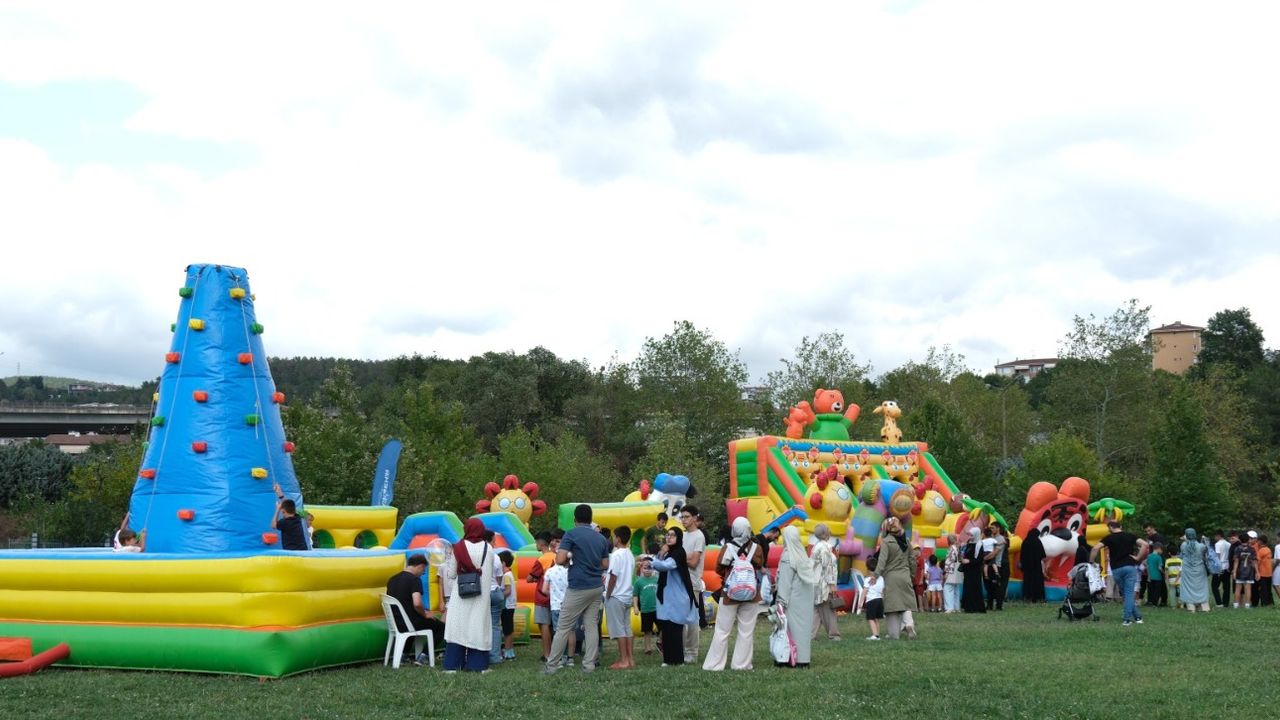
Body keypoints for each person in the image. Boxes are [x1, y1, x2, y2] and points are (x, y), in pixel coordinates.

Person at [543, 504, 611, 675]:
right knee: (591, 626)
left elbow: (559, 559)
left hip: (578, 587)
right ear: (590, 518)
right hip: (596, 587)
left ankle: (551, 666)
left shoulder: (571, 534)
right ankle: (589, 665)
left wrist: (569, 560)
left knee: (563, 627)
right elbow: (605, 564)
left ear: (575, 519)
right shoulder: (601, 538)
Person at [703, 517, 766, 670]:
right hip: (751, 594)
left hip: (730, 593)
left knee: (722, 630)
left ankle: (714, 664)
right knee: (746, 630)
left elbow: (719, 568)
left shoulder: (727, 548)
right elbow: (760, 565)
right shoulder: (756, 548)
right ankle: (741, 664)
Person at [443, 518, 496, 672]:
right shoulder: (489, 548)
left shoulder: (458, 547)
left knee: (457, 628)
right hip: (481, 596)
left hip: (461, 595)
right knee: (478, 627)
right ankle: (477, 665)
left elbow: (452, 574)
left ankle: (453, 665)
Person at [385, 554, 445, 665]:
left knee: (413, 621)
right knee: (441, 627)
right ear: (420, 566)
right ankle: (424, 656)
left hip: (397, 622)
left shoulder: (392, 579)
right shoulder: (414, 580)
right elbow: (417, 603)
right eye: (424, 570)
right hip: (410, 623)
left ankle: (403, 655)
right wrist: (425, 614)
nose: (423, 573)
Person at [651, 526, 697, 666]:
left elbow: (667, 566)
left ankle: (678, 660)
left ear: (678, 538)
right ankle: (668, 659)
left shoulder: (679, 552)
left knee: (675, 628)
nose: (668, 537)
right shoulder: (669, 552)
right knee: (666, 627)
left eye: (672, 535)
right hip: (668, 595)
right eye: (667, 535)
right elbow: (663, 563)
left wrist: (651, 562)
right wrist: (659, 555)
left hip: (677, 596)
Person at [1091, 520, 1148, 626]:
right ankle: (1137, 617)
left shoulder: (1109, 538)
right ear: (1120, 526)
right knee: (1128, 594)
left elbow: (1095, 548)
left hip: (1116, 569)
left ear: (1110, 528)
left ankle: (1128, 619)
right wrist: (1138, 557)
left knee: (1127, 594)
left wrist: (1092, 561)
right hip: (1130, 567)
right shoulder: (1130, 536)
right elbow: (1145, 544)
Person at [776, 525, 818, 666]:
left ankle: (789, 657)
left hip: (792, 600)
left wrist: (781, 602)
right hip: (805, 600)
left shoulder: (788, 556)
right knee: (803, 630)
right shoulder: (802, 554)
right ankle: (803, 658)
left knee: (790, 629)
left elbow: (785, 582)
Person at [877, 517, 918, 638]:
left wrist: (875, 575)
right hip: (905, 575)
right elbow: (912, 560)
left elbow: (882, 561)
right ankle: (909, 624)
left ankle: (894, 634)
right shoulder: (906, 541)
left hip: (891, 577)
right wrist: (912, 574)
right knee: (906, 603)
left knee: (892, 607)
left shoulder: (886, 542)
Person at [604, 526, 636, 670]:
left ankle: (623, 660)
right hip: (627, 595)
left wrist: (608, 593)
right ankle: (630, 659)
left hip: (616, 595)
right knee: (626, 628)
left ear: (618, 538)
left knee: (619, 630)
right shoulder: (630, 553)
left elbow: (614, 576)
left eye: (614, 536)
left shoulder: (617, 555)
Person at [678, 505, 706, 664]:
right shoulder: (682, 535)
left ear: (695, 518)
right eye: (682, 517)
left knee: (691, 620)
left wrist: (681, 557)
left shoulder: (699, 536)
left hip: (692, 583)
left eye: (687, 517)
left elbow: (694, 562)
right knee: (680, 619)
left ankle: (692, 652)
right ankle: (681, 650)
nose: (684, 520)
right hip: (680, 582)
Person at [526, 531, 556, 662]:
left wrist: (533, 579)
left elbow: (529, 578)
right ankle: (556, 653)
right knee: (553, 626)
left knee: (544, 625)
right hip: (555, 596)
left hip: (542, 596)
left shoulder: (541, 559)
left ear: (540, 543)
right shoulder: (556, 556)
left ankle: (547, 654)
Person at [542, 547, 574, 665]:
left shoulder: (550, 571)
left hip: (556, 605)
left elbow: (544, 590)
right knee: (570, 631)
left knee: (558, 632)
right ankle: (570, 658)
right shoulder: (570, 571)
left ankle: (559, 658)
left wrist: (554, 593)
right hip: (569, 604)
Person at [810, 524, 841, 641]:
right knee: (829, 609)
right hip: (823, 584)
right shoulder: (825, 548)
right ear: (826, 534)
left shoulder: (816, 547)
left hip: (815, 582)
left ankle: (810, 635)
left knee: (817, 611)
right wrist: (832, 584)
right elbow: (827, 567)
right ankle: (833, 634)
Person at [1177, 530, 1211, 612]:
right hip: (1200, 569)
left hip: (1187, 569)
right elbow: (1206, 555)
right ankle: (1205, 607)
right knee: (1201, 587)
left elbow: (1182, 554)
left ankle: (1191, 607)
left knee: (1188, 587)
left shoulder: (1183, 545)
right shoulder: (1201, 546)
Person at [633, 555, 659, 655]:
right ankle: (647, 648)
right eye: (645, 567)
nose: (647, 570)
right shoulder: (639, 582)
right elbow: (635, 595)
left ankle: (660, 643)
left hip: (657, 609)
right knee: (647, 630)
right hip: (645, 610)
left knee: (662, 628)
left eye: (650, 567)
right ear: (641, 568)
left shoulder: (657, 579)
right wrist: (635, 607)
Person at [271, 483, 308, 551]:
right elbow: (287, 505)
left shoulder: (284, 522)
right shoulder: (297, 517)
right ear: (294, 509)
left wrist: (277, 509)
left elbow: (273, 525)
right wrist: (280, 494)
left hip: (292, 553)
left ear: (283, 511)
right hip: (303, 551)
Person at [960, 527, 986, 614]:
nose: (970, 536)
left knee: (974, 588)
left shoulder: (979, 545)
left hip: (974, 571)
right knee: (968, 588)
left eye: (971, 535)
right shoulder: (969, 544)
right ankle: (968, 606)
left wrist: (969, 561)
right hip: (968, 570)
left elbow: (979, 559)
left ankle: (976, 607)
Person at [1019, 529, 1047, 603]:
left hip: (1026, 566)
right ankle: (1038, 597)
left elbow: (1022, 554)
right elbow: (1043, 555)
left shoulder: (1025, 542)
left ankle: (1027, 596)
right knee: (1037, 581)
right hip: (1036, 566)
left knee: (1028, 581)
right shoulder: (1037, 542)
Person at [1233, 532, 1258, 608]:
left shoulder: (1237, 548)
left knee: (1238, 588)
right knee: (1248, 588)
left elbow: (1236, 561)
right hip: (1249, 571)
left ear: (1240, 540)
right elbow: (1254, 562)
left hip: (1240, 571)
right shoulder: (1252, 549)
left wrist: (1234, 571)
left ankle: (1236, 605)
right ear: (1248, 540)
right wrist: (1257, 572)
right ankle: (1247, 605)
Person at [499, 550, 517, 660]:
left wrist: (498, 595)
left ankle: (508, 651)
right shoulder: (510, 574)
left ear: (503, 563)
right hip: (510, 606)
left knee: (507, 630)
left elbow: (508, 591)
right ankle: (509, 650)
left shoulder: (506, 575)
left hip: (506, 606)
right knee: (508, 628)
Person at [942, 534, 963, 613]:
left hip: (951, 571)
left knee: (947, 589)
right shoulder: (957, 549)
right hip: (957, 571)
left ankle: (949, 607)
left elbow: (949, 561)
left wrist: (947, 572)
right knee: (956, 589)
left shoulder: (951, 549)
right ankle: (956, 607)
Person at [1212, 530, 1231, 607]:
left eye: (1215, 536)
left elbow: (1217, 557)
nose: (1215, 538)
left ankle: (1219, 602)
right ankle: (1226, 602)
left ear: (1218, 536)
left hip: (1220, 567)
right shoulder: (1228, 544)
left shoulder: (1218, 544)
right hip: (1227, 566)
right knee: (1226, 586)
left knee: (1214, 585)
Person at [1253, 534, 1273, 607]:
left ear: (1260, 541)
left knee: (1263, 590)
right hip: (1269, 573)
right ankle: (1270, 603)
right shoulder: (1268, 549)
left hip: (1263, 573)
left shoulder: (1261, 551)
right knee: (1268, 590)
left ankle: (1265, 603)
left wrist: (1257, 572)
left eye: (1258, 541)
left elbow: (1256, 562)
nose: (1257, 542)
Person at [864, 573, 885, 639]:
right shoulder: (881, 578)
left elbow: (864, 591)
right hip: (880, 600)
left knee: (870, 618)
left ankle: (875, 635)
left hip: (871, 601)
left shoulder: (867, 579)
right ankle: (877, 635)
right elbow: (882, 591)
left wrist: (860, 602)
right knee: (876, 618)